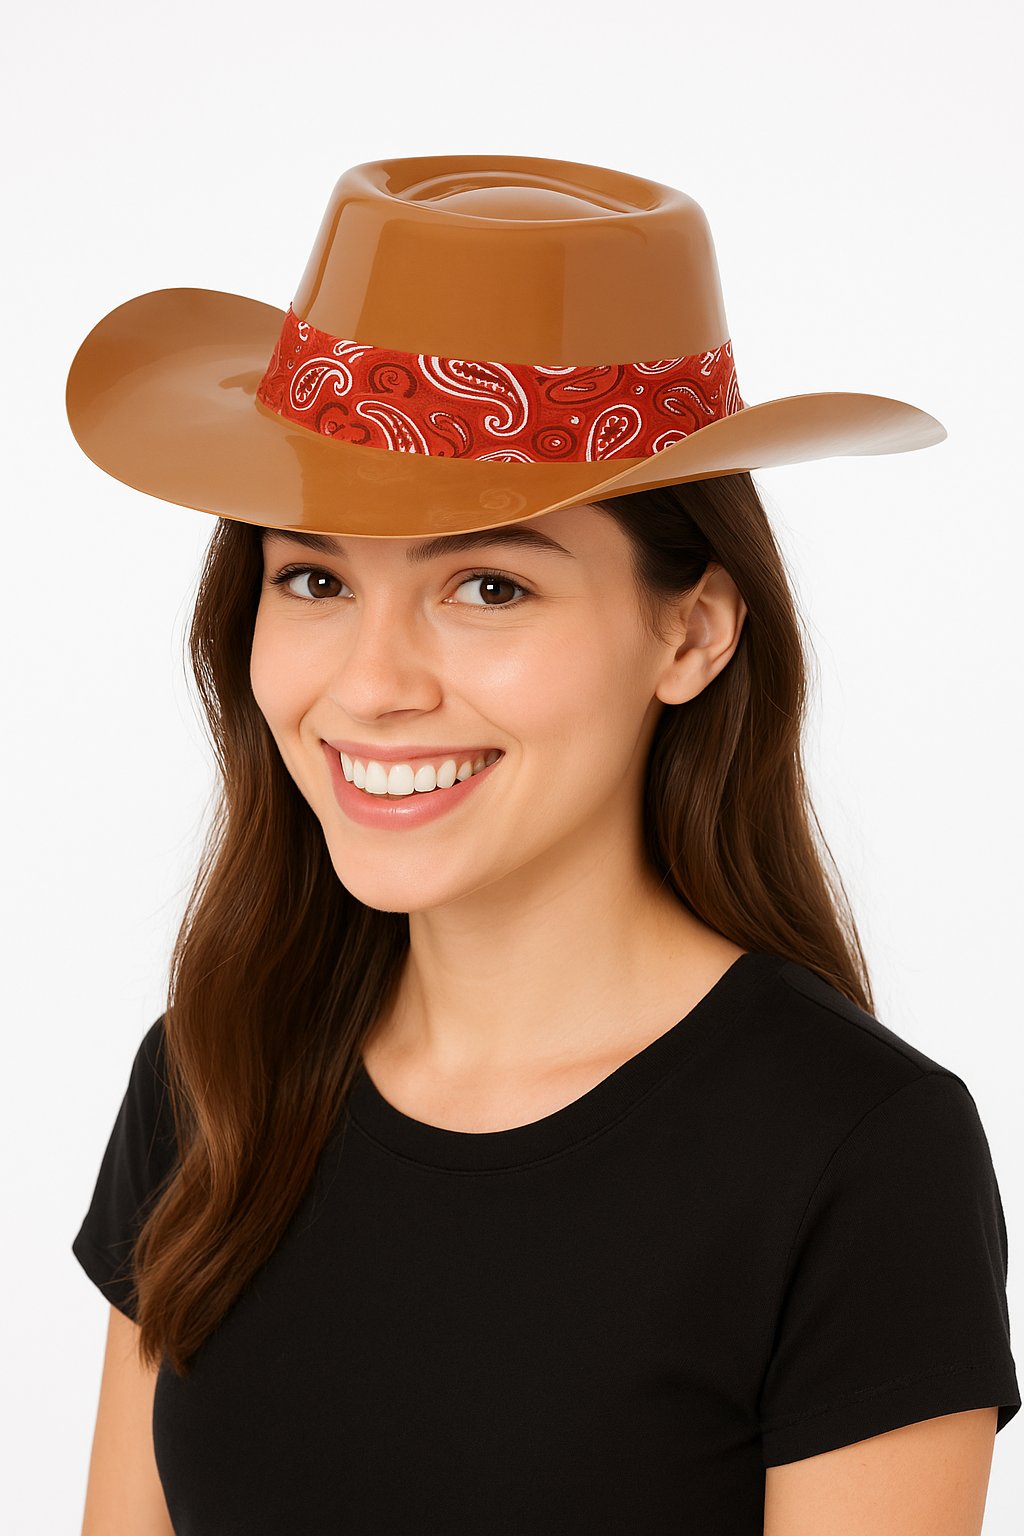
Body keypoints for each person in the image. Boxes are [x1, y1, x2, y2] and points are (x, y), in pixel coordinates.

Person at [67, 154, 1018, 1535]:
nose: (374, 681)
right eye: (315, 577)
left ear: (690, 631)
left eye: (488, 583)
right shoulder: (214, 1072)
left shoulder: (861, 1158)